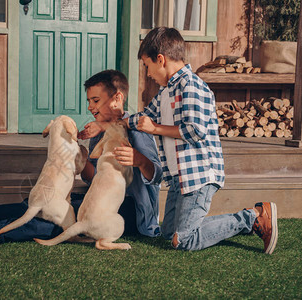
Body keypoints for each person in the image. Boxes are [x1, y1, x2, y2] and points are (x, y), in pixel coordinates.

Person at [85, 27, 278, 253]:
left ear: (161, 59)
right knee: (169, 235)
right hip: (179, 178)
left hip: (198, 174)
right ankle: (208, 226)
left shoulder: (191, 86)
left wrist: (155, 128)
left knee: (184, 241)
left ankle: (253, 217)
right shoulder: (166, 91)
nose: (148, 73)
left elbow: (195, 131)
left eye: (147, 66)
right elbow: (141, 118)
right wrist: (105, 125)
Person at [0, 69, 163, 247]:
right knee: (45, 204)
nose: (90, 107)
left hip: (130, 213)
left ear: (117, 98)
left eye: (95, 100)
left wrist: (139, 160)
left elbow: (158, 175)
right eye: (89, 101)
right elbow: (94, 180)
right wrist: (81, 162)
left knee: (61, 219)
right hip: (100, 201)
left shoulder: (137, 129)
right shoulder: (98, 132)